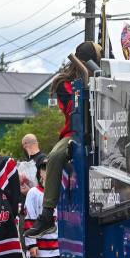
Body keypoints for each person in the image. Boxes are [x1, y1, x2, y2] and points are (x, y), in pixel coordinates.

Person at [25, 42, 101, 238]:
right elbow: (73, 110)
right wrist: (86, 86)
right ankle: (48, 214)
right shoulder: (63, 83)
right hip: (75, 131)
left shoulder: (104, 76)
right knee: (56, 155)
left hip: (104, 130)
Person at [23, 158, 60, 258]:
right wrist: (31, 245)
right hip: (40, 249)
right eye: (45, 169)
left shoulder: (63, 191)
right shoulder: (33, 193)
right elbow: (29, 219)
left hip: (59, 248)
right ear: (40, 173)